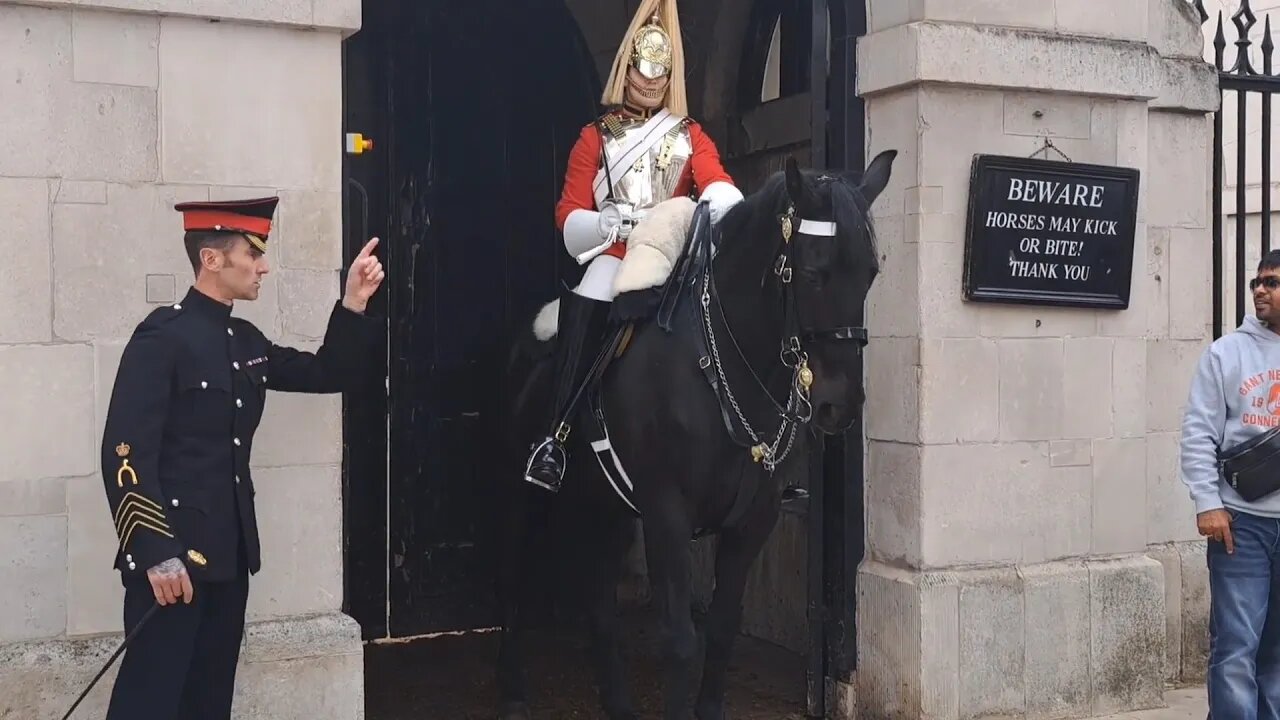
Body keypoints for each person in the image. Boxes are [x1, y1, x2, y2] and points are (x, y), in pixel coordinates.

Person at [99, 196, 385, 719]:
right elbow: (125, 451)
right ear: (212, 260)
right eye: (252, 254)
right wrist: (155, 551)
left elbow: (327, 374)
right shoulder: (163, 336)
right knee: (150, 702)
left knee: (209, 703)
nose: (264, 266)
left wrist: (354, 305)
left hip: (228, 561)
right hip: (174, 563)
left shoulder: (243, 339)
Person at [522, 0, 745, 494]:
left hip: (672, 254)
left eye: (658, 73)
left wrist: (725, 204)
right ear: (626, 70)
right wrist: (604, 221)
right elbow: (568, 214)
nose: (648, 81)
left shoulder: (691, 137)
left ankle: (760, 443)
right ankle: (556, 437)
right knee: (594, 294)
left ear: (670, 78)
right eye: (641, 71)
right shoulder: (595, 138)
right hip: (617, 251)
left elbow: (715, 181)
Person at [1180, 249, 1280, 719]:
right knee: (1236, 647)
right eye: (1256, 282)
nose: (1260, 290)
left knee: (1277, 655)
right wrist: (1207, 501)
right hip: (1242, 525)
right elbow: (1199, 432)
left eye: (1273, 282)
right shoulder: (1226, 353)